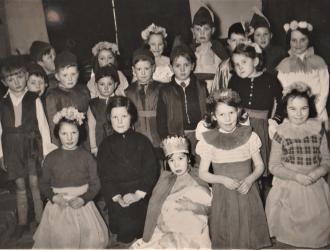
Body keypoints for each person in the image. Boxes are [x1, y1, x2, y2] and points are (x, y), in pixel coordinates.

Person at [196, 88, 271, 249]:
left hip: (247, 191)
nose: (228, 118)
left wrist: (250, 180)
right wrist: (222, 179)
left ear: (238, 111)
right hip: (223, 193)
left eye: (231, 112)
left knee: (247, 230)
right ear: (214, 116)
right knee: (226, 232)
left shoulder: (249, 136)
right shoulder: (209, 141)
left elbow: (259, 165)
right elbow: (202, 173)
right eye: (222, 114)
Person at [265, 83, 330, 248]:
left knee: (317, 231)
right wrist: (296, 176)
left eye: (304, 108)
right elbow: (273, 166)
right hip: (289, 183)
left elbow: (326, 160)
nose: (299, 114)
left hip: (314, 184)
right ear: (285, 109)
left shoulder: (318, 129)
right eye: (293, 109)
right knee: (288, 233)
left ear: (310, 108)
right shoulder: (281, 131)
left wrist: (317, 173)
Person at [34, 107, 108, 248]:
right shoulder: (51, 158)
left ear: (80, 133)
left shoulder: (87, 157)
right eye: (64, 133)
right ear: (58, 134)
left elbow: (96, 183)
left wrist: (84, 199)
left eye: (73, 133)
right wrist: (53, 197)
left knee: (88, 239)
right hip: (58, 206)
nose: (69, 138)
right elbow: (43, 183)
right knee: (61, 240)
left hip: (82, 205)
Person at [0, 56, 56, 239]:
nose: (16, 82)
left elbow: (43, 126)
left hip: (32, 146)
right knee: (20, 186)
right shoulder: (1, 102)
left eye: (19, 76)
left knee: (34, 184)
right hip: (11, 149)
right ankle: (22, 222)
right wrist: (1, 155)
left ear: (26, 76)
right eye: (10, 79)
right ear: (4, 81)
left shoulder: (34, 99)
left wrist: (46, 150)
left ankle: (41, 221)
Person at [97, 96, 160, 248]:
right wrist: (117, 197)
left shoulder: (142, 141)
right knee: (124, 236)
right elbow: (104, 175)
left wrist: (138, 194)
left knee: (144, 235)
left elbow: (151, 170)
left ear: (131, 116)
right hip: (119, 197)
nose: (119, 121)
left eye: (124, 116)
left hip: (140, 194)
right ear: (109, 119)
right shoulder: (105, 145)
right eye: (115, 117)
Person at [132, 136, 212, 249]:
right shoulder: (165, 179)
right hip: (166, 227)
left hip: (191, 230)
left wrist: (194, 206)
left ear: (188, 158)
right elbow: (154, 207)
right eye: (171, 160)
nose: (176, 165)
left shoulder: (198, 177)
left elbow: (211, 208)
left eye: (180, 158)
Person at [228, 42, 283, 201]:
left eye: (244, 62)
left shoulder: (270, 80)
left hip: (261, 128)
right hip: (239, 127)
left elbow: (281, 102)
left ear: (256, 61)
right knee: (242, 167)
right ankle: (246, 200)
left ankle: (264, 201)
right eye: (236, 64)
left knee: (261, 168)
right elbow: (229, 102)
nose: (240, 67)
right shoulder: (234, 81)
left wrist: (275, 120)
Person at [156, 44, 207, 161]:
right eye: (178, 65)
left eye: (186, 65)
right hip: (177, 136)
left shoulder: (201, 87)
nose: (182, 69)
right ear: (171, 67)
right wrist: (166, 139)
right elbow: (161, 118)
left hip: (199, 135)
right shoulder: (165, 90)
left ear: (193, 66)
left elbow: (208, 112)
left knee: (200, 165)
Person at [277, 20, 329, 128]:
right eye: (294, 40)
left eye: (303, 40)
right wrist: (294, 112)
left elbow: (325, 88)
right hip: (294, 116)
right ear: (289, 41)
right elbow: (283, 91)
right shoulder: (284, 64)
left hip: (317, 113)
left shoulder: (319, 61)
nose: (298, 44)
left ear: (309, 40)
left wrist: (315, 110)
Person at [45, 51, 90, 144]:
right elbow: (52, 125)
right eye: (65, 75)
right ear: (57, 76)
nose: (70, 79)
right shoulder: (53, 96)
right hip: (65, 142)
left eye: (73, 74)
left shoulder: (84, 91)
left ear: (78, 73)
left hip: (84, 140)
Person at [126, 48, 162, 148]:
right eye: (139, 69)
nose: (143, 73)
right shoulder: (129, 91)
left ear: (153, 68)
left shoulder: (161, 89)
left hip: (158, 136)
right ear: (133, 70)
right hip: (138, 136)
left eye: (146, 69)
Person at [191, 5, 228, 93]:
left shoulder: (218, 49)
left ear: (213, 30)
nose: (202, 33)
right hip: (194, 91)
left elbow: (225, 75)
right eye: (198, 29)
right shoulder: (189, 51)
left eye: (206, 29)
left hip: (214, 90)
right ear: (193, 31)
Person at [87, 65, 118, 156]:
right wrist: (93, 147)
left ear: (115, 85)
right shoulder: (93, 104)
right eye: (102, 84)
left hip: (117, 141)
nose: (106, 88)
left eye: (109, 84)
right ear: (96, 85)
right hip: (100, 142)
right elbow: (91, 127)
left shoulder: (120, 101)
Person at [212, 22, 249, 91]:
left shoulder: (251, 64)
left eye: (242, 40)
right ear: (229, 42)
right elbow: (217, 91)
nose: (238, 44)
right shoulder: (224, 67)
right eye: (234, 40)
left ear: (247, 41)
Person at [249, 7, 287, 74]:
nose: (262, 38)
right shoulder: (250, 53)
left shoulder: (280, 52)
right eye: (258, 35)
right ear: (253, 38)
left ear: (271, 36)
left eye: (265, 34)